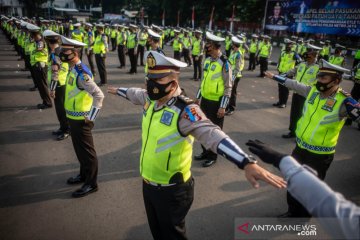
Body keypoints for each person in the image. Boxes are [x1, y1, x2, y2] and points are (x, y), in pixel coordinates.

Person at [108, 50, 286, 240]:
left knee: (172, 235)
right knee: (158, 233)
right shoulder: (150, 100)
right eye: (148, 78)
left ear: (173, 83)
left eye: (155, 80)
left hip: (172, 191)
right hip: (148, 184)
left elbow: (212, 134)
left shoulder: (185, 110)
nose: (149, 84)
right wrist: (119, 90)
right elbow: (135, 94)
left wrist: (246, 162)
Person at [265, 59, 360, 218]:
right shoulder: (312, 91)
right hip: (300, 148)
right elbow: (294, 84)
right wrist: (275, 77)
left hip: (320, 155)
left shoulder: (346, 102)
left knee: (311, 187)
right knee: (293, 181)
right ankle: (293, 211)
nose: (319, 81)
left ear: (336, 81)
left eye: (323, 78)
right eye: (318, 76)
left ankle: (306, 212)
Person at [246, 139, 360, 240]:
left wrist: (281, 160)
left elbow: (332, 207)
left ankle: (302, 219)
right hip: (301, 146)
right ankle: (293, 213)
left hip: (320, 151)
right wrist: (281, 160)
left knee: (310, 192)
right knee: (293, 184)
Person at [59, 36, 104, 198]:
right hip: (73, 117)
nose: (62, 53)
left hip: (82, 120)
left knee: (87, 153)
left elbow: (99, 95)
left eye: (65, 51)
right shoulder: (72, 68)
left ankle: (91, 183)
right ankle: (83, 175)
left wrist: (91, 117)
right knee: (79, 150)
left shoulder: (81, 73)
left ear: (75, 53)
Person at [194, 32, 232, 167]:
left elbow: (228, 87)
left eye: (209, 46)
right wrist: (198, 98)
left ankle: (213, 156)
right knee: (202, 129)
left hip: (216, 103)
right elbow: (203, 81)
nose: (207, 49)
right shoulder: (208, 60)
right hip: (205, 100)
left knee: (215, 131)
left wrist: (223, 106)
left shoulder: (225, 63)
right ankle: (205, 151)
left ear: (216, 47)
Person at [282, 43, 321, 138]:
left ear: (315, 55)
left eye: (309, 54)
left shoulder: (318, 68)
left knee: (304, 115)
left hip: (307, 95)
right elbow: (292, 71)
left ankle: (300, 134)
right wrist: (282, 75)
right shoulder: (302, 64)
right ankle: (292, 131)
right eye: (307, 53)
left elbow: (320, 81)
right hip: (296, 92)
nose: (307, 55)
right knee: (294, 113)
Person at [43, 30, 70, 141]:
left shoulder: (56, 54)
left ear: (48, 41)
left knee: (61, 109)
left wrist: (52, 89)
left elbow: (55, 74)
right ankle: (62, 127)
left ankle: (66, 130)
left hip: (59, 84)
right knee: (60, 108)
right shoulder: (59, 50)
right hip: (61, 83)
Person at [28, 23, 52, 109]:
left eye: (31, 34)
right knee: (41, 85)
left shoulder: (41, 42)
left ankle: (48, 102)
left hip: (40, 65)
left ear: (33, 34)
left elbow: (39, 49)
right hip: (37, 64)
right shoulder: (38, 41)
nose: (30, 35)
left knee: (43, 85)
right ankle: (45, 101)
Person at [273, 39, 301, 108]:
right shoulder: (283, 52)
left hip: (288, 74)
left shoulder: (294, 54)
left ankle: (283, 103)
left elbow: (300, 62)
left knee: (285, 89)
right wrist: (278, 67)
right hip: (281, 72)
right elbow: (279, 60)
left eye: (289, 45)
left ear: (292, 46)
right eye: (287, 45)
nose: (288, 46)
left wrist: (294, 71)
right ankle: (280, 101)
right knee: (280, 88)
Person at [226, 36, 243, 115]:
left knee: (232, 92)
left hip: (235, 76)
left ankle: (232, 108)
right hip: (230, 74)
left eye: (232, 44)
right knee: (228, 91)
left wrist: (232, 78)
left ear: (234, 45)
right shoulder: (233, 52)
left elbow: (237, 68)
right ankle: (227, 106)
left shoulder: (238, 54)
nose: (231, 45)